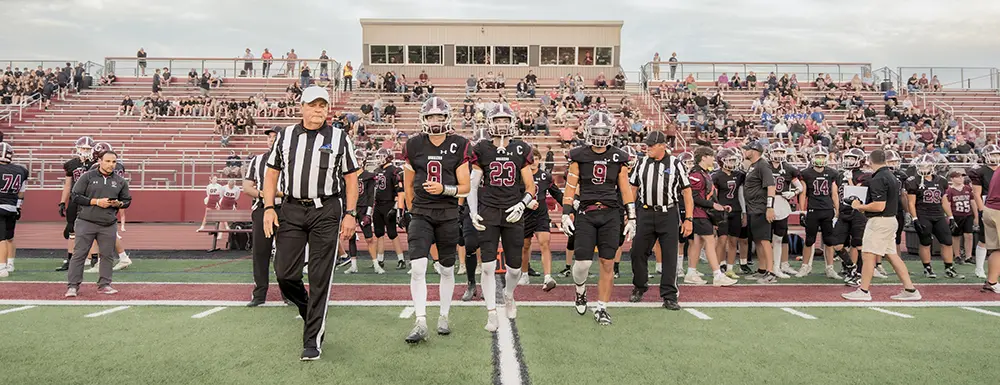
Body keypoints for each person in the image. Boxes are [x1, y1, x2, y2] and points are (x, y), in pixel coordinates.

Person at [261, 86, 361, 361]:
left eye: (323, 105)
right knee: (284, 273)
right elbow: (271, 173)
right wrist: (269, 207)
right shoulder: (286, 136)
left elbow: (351, 178)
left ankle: (312, 340)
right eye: (313, 105)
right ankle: (307, 308)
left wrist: (350, 213)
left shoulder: (339, 137)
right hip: (291, 208)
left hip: (326, 209)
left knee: (320, 276)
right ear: (302, 107)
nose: (318, 110)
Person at [401, 96, 472, 343]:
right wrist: (412, 210)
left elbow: (465, 187)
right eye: (430, 116)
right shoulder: (413, 145)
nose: (435, 121)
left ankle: (443, 315)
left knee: (446, 267)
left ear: (447, 118)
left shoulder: (459, 144)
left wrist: (444, 189)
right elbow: (408, 185)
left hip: (448, 213)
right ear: (423, 118)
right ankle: (420, 320)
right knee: (418, 266)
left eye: (439, 116)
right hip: (421, 213)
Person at [562, 111, 637, 325]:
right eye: (597, 132)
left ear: (611, 132)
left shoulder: (619, 156)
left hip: (611, 213)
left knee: (607, 262)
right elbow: (570, 186)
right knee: (583, 264)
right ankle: (580, 289)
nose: (601, 136)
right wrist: (566, 213)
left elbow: (624, 189)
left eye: (604, 131)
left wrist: (631, 217)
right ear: (588, 132)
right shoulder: (579, 155)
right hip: (586, 212)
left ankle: (602, 307)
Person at [468, 102, 535, 331]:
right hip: (488, 210)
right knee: (487, 267)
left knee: (515, 268)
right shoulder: (481, 148)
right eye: (497, 121)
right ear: (490, 123)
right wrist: (473, 211)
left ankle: (508, 294)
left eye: (505, 121)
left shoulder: (520, 148)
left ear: (512, 123)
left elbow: (530, 186)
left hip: (513, 212)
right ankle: (491, 313)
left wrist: (522, 205)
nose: (502, 125)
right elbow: (473, 184)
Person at [842, 149, 922, 300]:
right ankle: (910, 290)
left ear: (870, 161)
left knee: (867, 255)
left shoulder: (878, 178)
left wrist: (858, 206)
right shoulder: (891, 176)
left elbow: (879, 206)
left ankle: (864, 291)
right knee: (892, 256)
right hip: (890, 220)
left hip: (880, 220)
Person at [64, 151, 131, 297]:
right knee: (79, 254)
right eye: (107, 161)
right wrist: (96, 202)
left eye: (113, 162)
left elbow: (127, 201)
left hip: (108, 223)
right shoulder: (87, 177)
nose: (111, 165)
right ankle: (73, 286)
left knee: (107, 255)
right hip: (86, 221)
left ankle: (105, 284)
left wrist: (118, 203)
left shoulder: (120, 181)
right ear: (100, 161)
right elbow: (75, 196)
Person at [243, 127, 285, 307]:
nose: (270, 140)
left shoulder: (290, 160)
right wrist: (264, 194)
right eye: (269, 137)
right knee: (260, 252)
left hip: (285, 209)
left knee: (287, 254)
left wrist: (277, 194)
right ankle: (259, 294)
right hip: (261, 208)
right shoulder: (257, 160)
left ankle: (289, 293)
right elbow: (247, 186)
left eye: (274, 137)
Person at [685, 146, 738, 287]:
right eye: (710, 156)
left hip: (703, 213)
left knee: (698, 242)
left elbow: (708, 195)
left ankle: (691, 272)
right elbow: (694, 197)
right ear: (703, 157)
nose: (713, 159)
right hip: (699, 213)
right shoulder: (696, 174)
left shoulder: (704, 173)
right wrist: (713, 206)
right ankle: (717, 274)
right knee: (710, 241)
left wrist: (719, 205)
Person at [906, 154, 962, 279]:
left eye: (927, 165)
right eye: (921, 165)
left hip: (938, 215)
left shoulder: (940, 180)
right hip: (923, 214)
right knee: (925, 242)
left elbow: (944, 201)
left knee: (947, 241)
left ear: (933, 166)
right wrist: (914, 218)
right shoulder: (913, 181)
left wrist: (951, 217)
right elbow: (911, 202)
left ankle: (949, 268)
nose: (924, 168)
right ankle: (927, 268)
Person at [795, 148, 842, 280]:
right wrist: (802, 210)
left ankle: (830, 268)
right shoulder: (806, 173)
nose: (820, 159)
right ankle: (805, 266)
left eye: (822, 156)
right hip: (813, 210)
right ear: (812, 157)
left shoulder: (832, 173)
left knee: (829, 240)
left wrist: (837, 210)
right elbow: (803, 193)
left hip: (827, 210)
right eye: (818, 156)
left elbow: (834, 194)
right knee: (809, 240)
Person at [521, 147, 564, 292]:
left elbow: (557, 194)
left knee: (544, 242)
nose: (534, 161)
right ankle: (524, 273)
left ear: (540, 160)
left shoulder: (545, 176)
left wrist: (570, 207)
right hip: (525, 214)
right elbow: (512, 195)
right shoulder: (520, 176)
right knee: (525, 246)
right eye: (531, 159)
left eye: (537, 158)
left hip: (541, 214)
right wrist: (526, 202)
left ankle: (547, 276)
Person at [86, 143, 132, 272]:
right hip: (113, 199)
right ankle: (122, 257)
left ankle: (101, 261)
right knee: (110, 233)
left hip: (102, 201)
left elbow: (98, 184)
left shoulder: (97, 167)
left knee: (100, 233)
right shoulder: (119, 165)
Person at [831, 147, 871, 286]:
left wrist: (849, 180)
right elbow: (835, 194)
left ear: (860, 160)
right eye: (847, 157)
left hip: (858, 214)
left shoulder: (864, 175)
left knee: (859, 245)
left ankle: (859, 274)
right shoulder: (839, 175)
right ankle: (850, 266)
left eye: (852, 158)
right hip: (843, 213)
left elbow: (857, 194)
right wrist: (836, 212)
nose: (848, 160)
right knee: (836, 244)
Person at [56, 136, 96, 272]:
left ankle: (93, 259)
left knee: (92, 229)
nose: (85, 151)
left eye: (88, 149)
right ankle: (71, 259)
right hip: (75, 200)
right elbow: (67, 185)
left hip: (90, 200)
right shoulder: (71, 164)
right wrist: (62, 202)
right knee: (72, 229)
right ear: (77, 148)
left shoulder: (96, 164)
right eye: (83, 148)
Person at [740, 141, 778, 283]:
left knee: (765, 240)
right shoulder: (753, 165)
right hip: (753, 209)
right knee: (758, 240)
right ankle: (762, 269)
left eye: (747, 149)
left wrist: (769, 207)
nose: (745, 151)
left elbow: (771, 187)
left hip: (761, 208)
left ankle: (771, 272)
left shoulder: (763, 166)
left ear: (754, 151)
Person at [765, 143, 804, 278]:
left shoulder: (788, 168)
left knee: (779, 238)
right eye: (776, 151)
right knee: (765, 239)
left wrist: (793, 193)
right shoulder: (764, 167)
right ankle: (766, 267)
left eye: (782, 152)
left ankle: (777, 267)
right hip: (766, 203)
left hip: (781, 203)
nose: (779, 154)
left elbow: (800, 187)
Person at [344, 148, 383, 274]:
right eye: (356, 158)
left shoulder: (368, 176)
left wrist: (368, 213)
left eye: (360, 159)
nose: (358, 161)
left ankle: (376, 264)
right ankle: (353, 265)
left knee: (369, 238)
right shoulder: (348, 176)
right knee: (350, 236)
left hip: (363, 208)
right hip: (351, 208)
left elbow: (371, 196)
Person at [712, 148, 750, 277]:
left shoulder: (739, 175)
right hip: (722, 212)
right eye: (730, 160)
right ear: (721, 162)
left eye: (734, 160)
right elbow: (713, 196)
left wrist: (744, 213)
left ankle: (730, 269)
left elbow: (741, 194)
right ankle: (717, 269)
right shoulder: (716, 176)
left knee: (734, 241)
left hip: (736, 210)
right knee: (721, 240)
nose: (733, 162)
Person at [370, 148, 406, 270]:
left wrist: (396, 208)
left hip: (389, 204)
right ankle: (380, 260)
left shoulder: (395, 171)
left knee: (392, 233)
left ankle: (401, 259)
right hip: (378, 205)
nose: (379, 159)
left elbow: (400, 191)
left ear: (388, 157)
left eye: (381, 156)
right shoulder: (376, 171)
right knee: (379, 233)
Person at [969, 144, 1000, 279]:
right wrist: (981, 211)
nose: (995, 157)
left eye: (997, 154)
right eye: (992, 154)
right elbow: (976, 193)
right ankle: (980, 268)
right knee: (984, 239)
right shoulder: (980, 171)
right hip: (989, 206)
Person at [0, 143, 26, 278]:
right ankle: (10, 263)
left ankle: (2, 267)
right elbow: (22, 191)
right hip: (12, 207)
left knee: (1, 239)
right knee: (9, 237)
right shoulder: (20, 170)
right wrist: (18, 206)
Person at [947, 170, 978, 265]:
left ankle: (968, 256)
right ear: (952, 179)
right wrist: (950, 217)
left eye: (962, 176)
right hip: (956, 215)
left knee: (969, 235)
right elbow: (947, 204)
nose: (961, 178)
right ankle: (957, 255)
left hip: (967, 214)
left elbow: (972, 202)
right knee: (956, 236)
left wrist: (976, 215)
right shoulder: (950, 190)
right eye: (958, 177)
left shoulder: (967, 188)